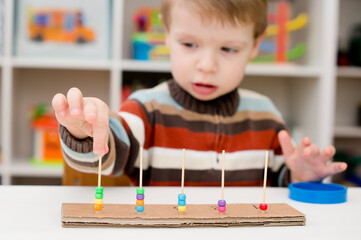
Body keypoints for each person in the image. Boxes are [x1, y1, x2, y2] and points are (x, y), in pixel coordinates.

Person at [52, 0, 347, 187]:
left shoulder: (266, 115)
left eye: (228, 49)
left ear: (255, 45)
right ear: (166, 34)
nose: (207, 66)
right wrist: (83, 134)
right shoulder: (145, 109)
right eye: (189, 45)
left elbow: (280, 182)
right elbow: (105, 160)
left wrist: (299, 177)